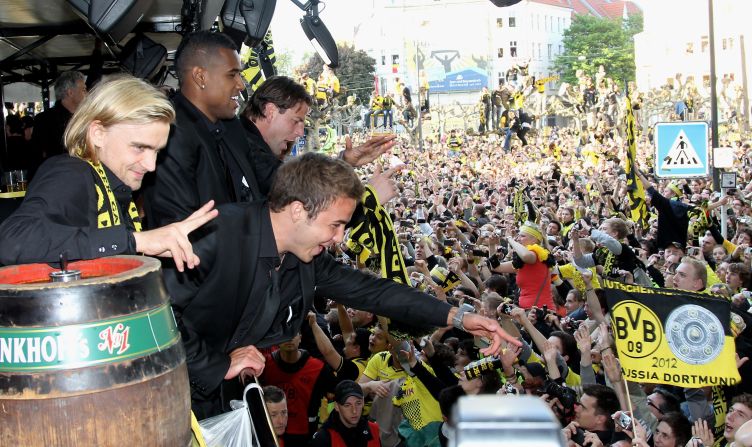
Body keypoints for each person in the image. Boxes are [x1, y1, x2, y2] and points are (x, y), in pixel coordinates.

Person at [162, 153, 519, 418]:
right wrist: (215, 363)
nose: (338, 239)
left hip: (221, 399)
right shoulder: (217, 234)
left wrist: (459, 317)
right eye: (335, 225)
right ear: (299, 210)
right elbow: (155, 313)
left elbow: (376, 292)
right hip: (168, 393)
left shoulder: (309, 259)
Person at [0, 76, 216, 270]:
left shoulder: (112, 184)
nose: (151, 165)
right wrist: (135, 241)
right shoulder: (72, 172)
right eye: (140, 147)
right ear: (98, 134)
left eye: (157, 151)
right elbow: (11, 241)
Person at [31, 70, 87, 161]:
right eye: (84, 90)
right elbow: (37, 156)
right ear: (70, 93)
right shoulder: (45, 120)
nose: (87, 94)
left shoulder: (85, 118)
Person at [310, 380, 381, 447]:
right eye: (347, 405)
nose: (354, 411)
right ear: (337, 406)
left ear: (363, 402)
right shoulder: (323, 438)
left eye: (358, 403)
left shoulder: (375, 430)